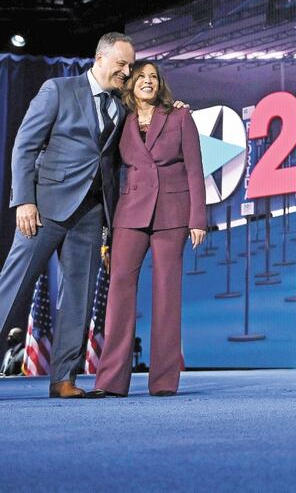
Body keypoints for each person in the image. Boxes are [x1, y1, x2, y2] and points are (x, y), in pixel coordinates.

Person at [0, 32, 135, 398]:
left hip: (91, 214)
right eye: (121, 63)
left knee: (79, 297)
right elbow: (24, 145)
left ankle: (63, 379)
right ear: (100, 58)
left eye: (131, 66)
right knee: (11, 289)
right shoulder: (57, 89)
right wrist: (23, 200)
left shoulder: (121, 107)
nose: (127, 71)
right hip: (43, 208)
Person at [89, 61, 206, 398]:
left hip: (173, 213)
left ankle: (164, 381)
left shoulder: (180, 116)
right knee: (119, 294)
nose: (148, 81)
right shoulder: (119, 121)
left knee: (167, 296)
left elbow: (196, 171)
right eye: (142, 76)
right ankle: (110, 382)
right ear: (131, 85)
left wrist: (198, 218)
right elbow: (108, 171)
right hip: (130, 213)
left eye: (154, 77)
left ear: (160, 85)